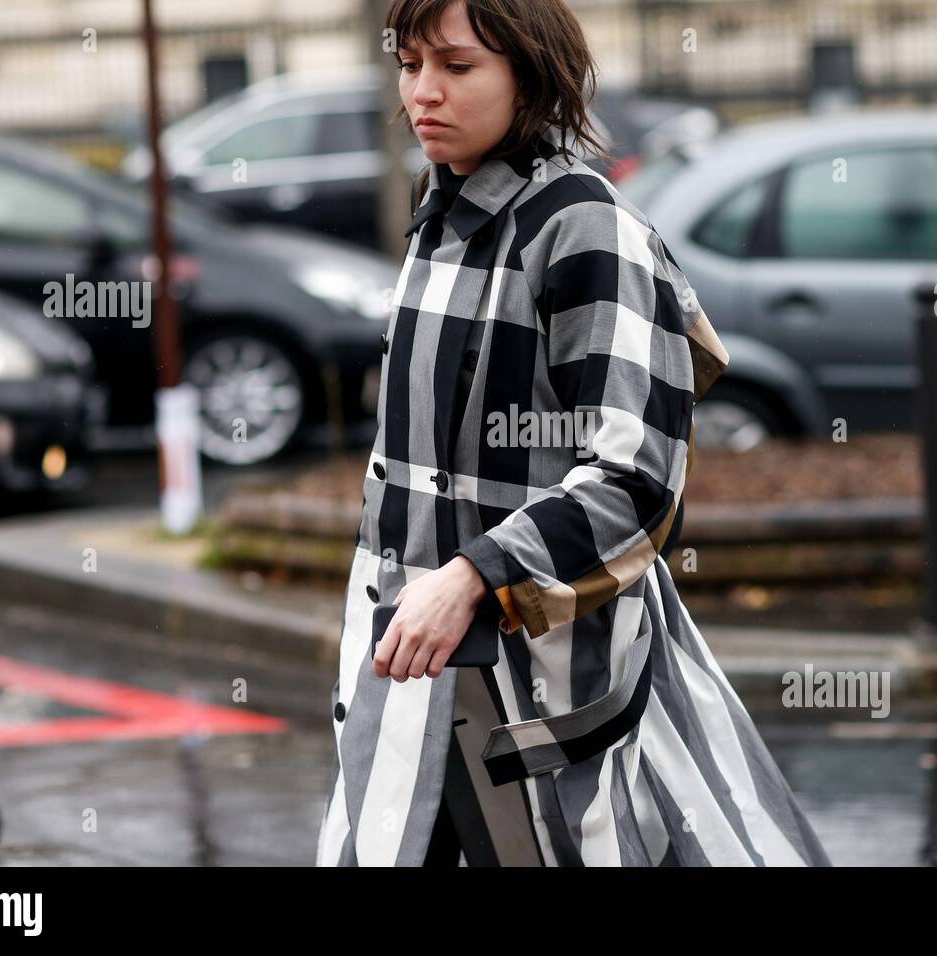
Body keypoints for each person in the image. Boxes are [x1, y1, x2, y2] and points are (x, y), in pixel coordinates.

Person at [316, 0, 832, 867]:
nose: (423, 94)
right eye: (410, 66)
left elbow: (638, 477)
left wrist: (477, 576)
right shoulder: (436, 204)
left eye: (456, 66)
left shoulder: (585, 227)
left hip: (551, 684)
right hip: (411, 671)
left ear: (530, 72)